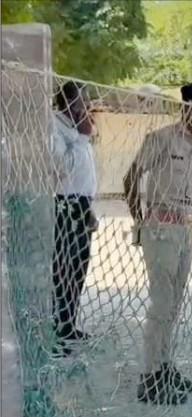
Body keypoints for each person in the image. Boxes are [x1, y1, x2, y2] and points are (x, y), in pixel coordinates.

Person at [123, 83, 192, 405]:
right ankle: (149, 378)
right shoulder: (161, 138)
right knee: (161, 305)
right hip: (160, 228)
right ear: (184, 107)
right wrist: (140, 221)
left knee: (174, 305)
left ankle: (164, 367)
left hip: (185, 229)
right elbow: (130, 178)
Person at [51, 81, 99, 354]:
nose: (87, 105)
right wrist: (81, 138)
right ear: (67, 102)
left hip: (82, 204)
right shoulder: (54, 127)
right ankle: (55, 333)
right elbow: (62, 167)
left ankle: (68, 325)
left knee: (78, 269)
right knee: (62, 270)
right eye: (83, 100)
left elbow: (85, 173)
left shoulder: (78, 127)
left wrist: (89, 208)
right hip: (63, 205)